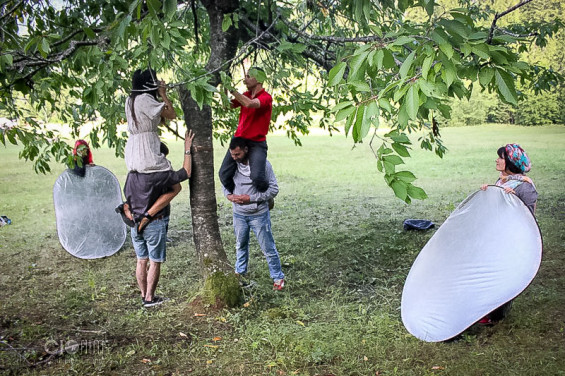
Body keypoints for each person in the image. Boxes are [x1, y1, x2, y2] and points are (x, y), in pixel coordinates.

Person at [125, 130, 195, 308]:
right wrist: (187, 148)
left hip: (135, 223)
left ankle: (143, 295)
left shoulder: (132, 173)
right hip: (154, 222)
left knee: (141, 259)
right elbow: (186, 173)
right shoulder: (159, 174)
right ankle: (150, 298)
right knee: (155, 261)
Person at [116, 68, 183, 233]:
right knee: (175, 187)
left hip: (134, 150)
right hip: (147, 151)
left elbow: (158, 119)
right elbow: (171, 114)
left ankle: (132, 212)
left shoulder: (130, 100)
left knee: (144, 189)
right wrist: (163, 94)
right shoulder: (145, 99)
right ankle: (148, 215)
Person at [478, 143, 538, 324]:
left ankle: (495, 314)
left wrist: (512, 200)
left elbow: (527, 219)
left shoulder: (524, 187)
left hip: (511, 239)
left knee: (503, 275)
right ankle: (486, 310)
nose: (497, 160)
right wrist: (487, 194)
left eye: (501, 158)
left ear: (511, 162)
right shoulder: (502, 181)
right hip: (497, 236)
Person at [222, 137, 285, 290]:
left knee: (268, 247)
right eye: (232, 154)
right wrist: (229, 196)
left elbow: (273, 189)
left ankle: (278, 277)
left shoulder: (262, 166)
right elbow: (225, 183)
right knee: (240, 245)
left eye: (237, 154)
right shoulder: (232, 165)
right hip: (239, 214)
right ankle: (240, 273)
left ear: (246, 150)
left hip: (259, 214)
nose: (234, 158)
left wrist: (251, 198)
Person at [219, 67, 272, 194]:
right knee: (224, 174)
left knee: (257, 177)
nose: (245, 80)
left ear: (259, 78)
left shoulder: (266, 97)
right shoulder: (245, 95)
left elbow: (249, 104)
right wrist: (224, 88)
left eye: (248, 76)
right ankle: (238, 195)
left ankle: (266, 195)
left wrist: (232, 89)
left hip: (256, 143)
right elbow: (227, 106)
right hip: (239, 141)